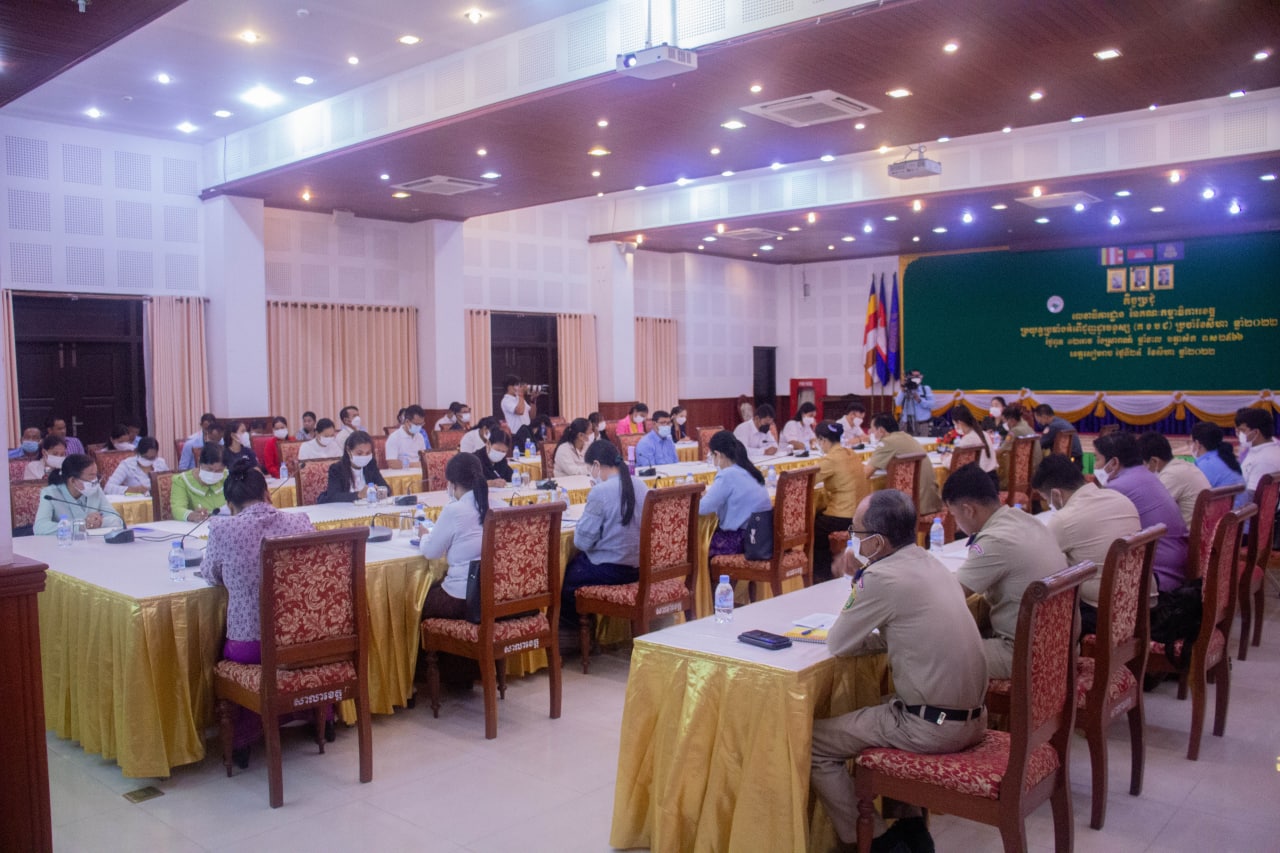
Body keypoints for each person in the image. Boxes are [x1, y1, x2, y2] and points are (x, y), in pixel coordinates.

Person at [810, 491, 987, 853]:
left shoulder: (880, 576)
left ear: (877, 542)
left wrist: (860, 578)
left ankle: (879, 842)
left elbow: (839, 643)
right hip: (972, 717)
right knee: (886, 704)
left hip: (933, 727)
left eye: (857, 533)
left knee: (813, 743)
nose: (853, 540)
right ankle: (911, 831)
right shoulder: (930, 561)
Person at [200, 459, 316, 763]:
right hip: (302, 637)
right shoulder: (300, 521)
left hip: (251, 643)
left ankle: (244, 737)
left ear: (230, 504)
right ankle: (321, 717)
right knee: (294, 653)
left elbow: (211, 575)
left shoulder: (223, 528)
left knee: (221, 649)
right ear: (267, 493)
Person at [942, 462, 1066, 678]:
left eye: (954, 515)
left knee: (935, 651)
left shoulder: (994, 540)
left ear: (969, 510)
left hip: (1026, 655)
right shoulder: (1027, 520)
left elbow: (950, 594)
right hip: (1060, 645)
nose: (957, 523)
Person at [1032, 455, 1141, 635]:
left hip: (1102, 615)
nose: (1050, 505)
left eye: (1047, 500)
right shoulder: (1119, 498)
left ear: (1056, 494)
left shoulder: (1064, 519)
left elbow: (1039, 565)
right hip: (1138, 604)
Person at [559, 441, 651, 645]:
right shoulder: (640, 485)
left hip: (611, 569)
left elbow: (582, 542)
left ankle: (574, 637)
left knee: (565, 578)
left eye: (590, 469)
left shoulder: (600, 492)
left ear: (597, 465)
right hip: (639, 567)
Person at [1093, 432, 1189, 594]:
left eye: (1097, 459)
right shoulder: (1146, 475)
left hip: (1157, 577)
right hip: (1176, 567)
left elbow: (1093, 526)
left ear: (1114, 462)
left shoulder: (1118, 487)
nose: (1095, 466)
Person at [419, 452, 488, 618]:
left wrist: (424, 536)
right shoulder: (497, 505)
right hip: (495, 594)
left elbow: (431, 552)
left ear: (453, 484)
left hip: (464, 598)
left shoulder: (454, 510)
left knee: (417, 602)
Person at [700, 431, 772, 557]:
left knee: (699, 547)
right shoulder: (749, 470)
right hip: (763, 537)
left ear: (717, 454)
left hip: (742, 540)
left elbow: (703, 508)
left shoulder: (727, 474)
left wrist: (699, 498)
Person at [812, 420, 863, 582]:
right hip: (858, 512)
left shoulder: (831, 459)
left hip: (842, 515)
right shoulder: (851, 453)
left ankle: (822, 575)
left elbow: (808, 479)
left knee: (814, 529)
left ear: (822, 440)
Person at [864, 413, 942, 515]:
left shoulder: (887, 442)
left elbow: (865, 474)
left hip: (912, 507)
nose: (871, 433)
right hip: (929, 502)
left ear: (881, 430)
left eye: (873, 430)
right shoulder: (907, 436)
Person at [34, 453, 123, 535]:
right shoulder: (50, 494)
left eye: (96, 475)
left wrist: (99, 522)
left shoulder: (95, 490)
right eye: (91, 476)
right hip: (63, 543)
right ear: (73, 480)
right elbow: (40, 528)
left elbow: (117, 519)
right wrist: (81, 525)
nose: (95, 480)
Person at [1139, 431, 1212, 523]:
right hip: (1203, 527)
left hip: (1190, 531)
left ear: (1154, 461)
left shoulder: (1171, 474)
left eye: (1144, 464)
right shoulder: (1183, 466)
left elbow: (1151, 510)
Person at [318, 431, 389, 503]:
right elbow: (333, 496)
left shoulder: (370, 465)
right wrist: (358, 495)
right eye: (359, 453)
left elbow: (387, 488)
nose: (364, 456)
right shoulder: (336, 469)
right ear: (348, 451)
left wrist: (379, 491)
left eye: (368, 453)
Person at [171, 444, 228, 522]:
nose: (213, 474)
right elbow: (177, 509)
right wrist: (191, 515)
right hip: (197, 526)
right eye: (209, 469)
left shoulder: (228, 476)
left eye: (219, 470)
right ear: (199, 463)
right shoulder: (181, 480)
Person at [1189, 422, 1245, 500]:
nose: (1190, 446)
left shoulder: (1204, 465)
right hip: (1242, 505)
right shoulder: (1225, 456)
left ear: (1197, 444)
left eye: (1190, 442)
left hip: (1230, 506)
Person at [1235, 408, 1280, 501]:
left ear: (1256, 432)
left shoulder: (1265, 460)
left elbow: (1251, 497)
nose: (1239, 434)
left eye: (1242, 430)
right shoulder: (1258, 449)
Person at [996, 403, 1043, 488]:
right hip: (1035, 469)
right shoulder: (1025, 425)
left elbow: (1001, 450)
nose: (1005, 424)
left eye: (1005, 421)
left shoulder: (1014, 431)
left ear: (1011, 420)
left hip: (1022, 473)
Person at [951, 406, 998, 489]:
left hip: (980, 487)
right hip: (993, 482)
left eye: (955, 424)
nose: (955, 427)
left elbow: (955, 463)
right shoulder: (984, 434)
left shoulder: (968, 439)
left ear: (960, 422)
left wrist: (944, 458)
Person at [895, 369, 935, 436]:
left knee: (923, 442)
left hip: (922, 424)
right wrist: (902, 390)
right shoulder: (905, 389)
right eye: (914, 376)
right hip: (907, 424)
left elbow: (932, 404)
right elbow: (897, 403)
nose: (917, 378)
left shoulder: (925, 389)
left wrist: (919, 400)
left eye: (918, 376)